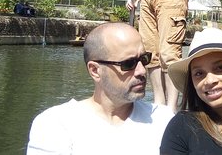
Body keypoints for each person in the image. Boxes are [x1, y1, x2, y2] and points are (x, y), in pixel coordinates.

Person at [26, 23, 174, 154]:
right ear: (95, 71)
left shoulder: (163, 119)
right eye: (128, 63)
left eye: (144, 59)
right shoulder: (55, 124)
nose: (141, 71)